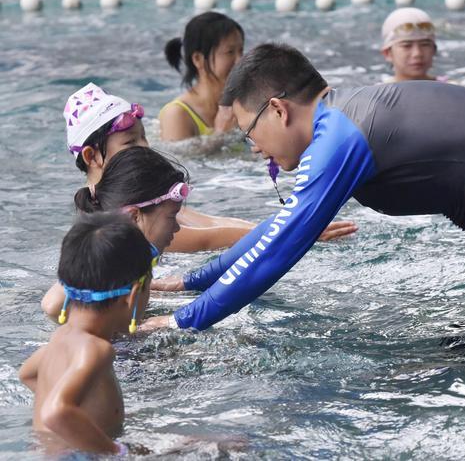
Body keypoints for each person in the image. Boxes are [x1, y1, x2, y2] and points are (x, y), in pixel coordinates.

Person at [141, 42, 465, 332]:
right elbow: (277, 234)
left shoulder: (340, 138)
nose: (254, 148)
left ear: (278, 110)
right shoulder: (343, 116)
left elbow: (278, 251)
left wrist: (185, 320)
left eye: (250, 132)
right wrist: (190, 283)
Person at [63, 83, 357, 253]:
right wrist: (295, 229)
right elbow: (204, 237)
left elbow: (205, 221)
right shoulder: (116, 216)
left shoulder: (140, 197)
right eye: (130, 142)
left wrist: (287, 221)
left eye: (143, 136)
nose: (144, 147)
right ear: (92, 156)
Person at [19, 212, 153, 455]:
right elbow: (55, 411)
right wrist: (117, 452)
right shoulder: (96, 349)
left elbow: (27, 374)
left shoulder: (61, 337)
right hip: (80, 456)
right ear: (133, 294)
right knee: (223, 445)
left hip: (61, 453)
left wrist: (64, 434)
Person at [41, 146, 188, 319]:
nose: (177, 228)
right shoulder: (104, 255)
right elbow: (51, 305)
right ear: (134, 216)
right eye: (171, 217)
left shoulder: (132, 257)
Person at [159, 12, 243, 141]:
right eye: (230, 52)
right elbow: (177, 160)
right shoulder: (176, 114)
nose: (240, 61)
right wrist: (221, 136)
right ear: (198, 59)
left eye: (241, 51)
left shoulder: (242, 104)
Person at [380, 7, 447, 83]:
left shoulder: (452, 90)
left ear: (434, 50)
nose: (417, 54)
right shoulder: (377, 93)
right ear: (387, 53)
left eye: (425, 44)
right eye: (406, 46)